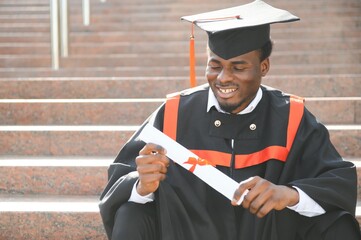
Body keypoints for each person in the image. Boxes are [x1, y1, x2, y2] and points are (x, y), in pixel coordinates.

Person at [99, 1, 361, 239]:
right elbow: (121, 178)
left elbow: (337, 181)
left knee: (337, 223)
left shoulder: (290, 117)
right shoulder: (174, 113)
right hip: (187, 232)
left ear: (264, 67)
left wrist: (288, 194)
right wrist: (142, 184)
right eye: (215, 66)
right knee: (130, 212)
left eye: (238, 67)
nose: (223, 78)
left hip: (268, 232)